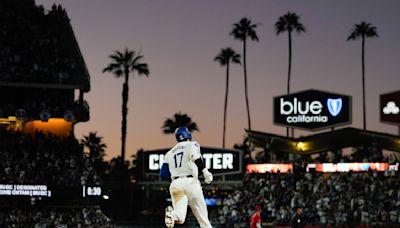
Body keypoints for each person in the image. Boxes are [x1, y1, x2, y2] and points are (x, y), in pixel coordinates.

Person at [160, 127, 213, 228]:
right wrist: (205, 172)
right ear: (188, 135)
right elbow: (196, 157)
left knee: (180, 218)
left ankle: (173, 215)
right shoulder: (192, 144)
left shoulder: (169, 153)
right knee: (203, 218)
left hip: (175, 184)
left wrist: (176, 177)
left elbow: (163, 174)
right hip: (190, 182)